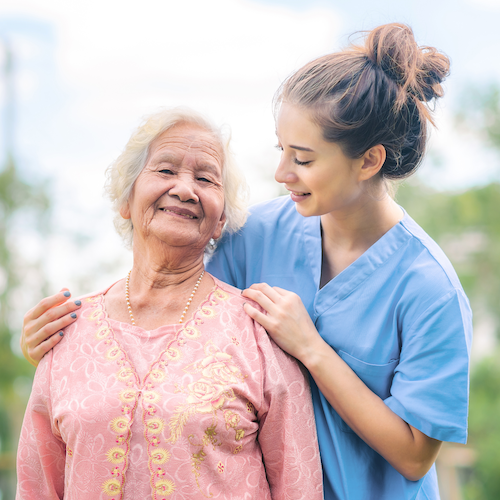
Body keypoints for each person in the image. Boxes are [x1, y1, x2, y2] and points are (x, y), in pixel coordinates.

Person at [20, 23, 472, 500]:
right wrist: (65, 351)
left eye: (303, 158)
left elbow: (415, 454)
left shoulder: (429, 288)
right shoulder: (254, 235)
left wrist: (312, 349)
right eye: (282, 150)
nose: (281, 173)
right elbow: (173, 316)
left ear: (368, 161)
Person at [16, 108, 323, 500]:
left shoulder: (259, 333)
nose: (184, 189)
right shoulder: (66, 333)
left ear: (220, 220)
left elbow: (300, 487)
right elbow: (36, 485)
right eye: (165, 171)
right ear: (126, 199)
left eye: (205, 178)